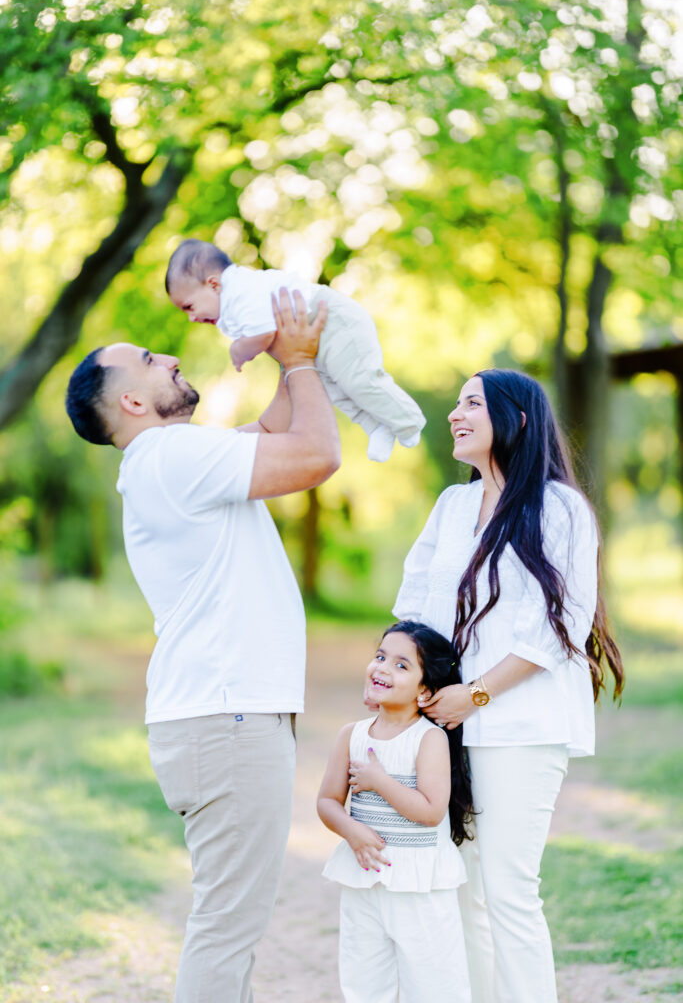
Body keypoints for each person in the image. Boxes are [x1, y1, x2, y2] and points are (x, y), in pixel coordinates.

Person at [65, 290, 340, 1003]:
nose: (173, 356)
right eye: (151, 361)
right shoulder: (170, 455)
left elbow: (271, 430)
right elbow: (313, 453)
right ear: (130, 403)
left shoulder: (168, 461)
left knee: (228, 927)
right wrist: (304, 362)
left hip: (219, 718)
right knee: (226, 929)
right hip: (227, 721)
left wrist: (294, 357)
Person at [389, 369, 624, 1003]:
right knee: (462, 888)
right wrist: (412, 689)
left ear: (515, 419)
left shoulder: (559, 507)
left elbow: (560, 624)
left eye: (472, 403)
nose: (454, 414)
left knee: (508, 888)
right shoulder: (452, 504)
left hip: (521, 725)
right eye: (456, 401)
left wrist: (478, 693)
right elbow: (414, 605)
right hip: (446, 728)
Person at [318, 620, 475, 1003]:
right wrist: (351, 830)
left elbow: (431, 811)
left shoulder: (429, 738)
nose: (383, 668)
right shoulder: (351, 735)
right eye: (380, 656)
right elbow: (326, 802)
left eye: (401, 665)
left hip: (420, 886)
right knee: (364, 982)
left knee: (435, 984)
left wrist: (380, 781)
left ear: (424, 690)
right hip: (364, 882)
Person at [165, 237, 426, 462]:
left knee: (359, 379)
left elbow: (263, 333)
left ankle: (408, 421)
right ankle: (376, 426)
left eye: (189, 307)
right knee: (336, 390)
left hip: (333, 321)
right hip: (314, 341)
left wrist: (240, 349)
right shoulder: (228, 305)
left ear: (213, 284)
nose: (191, 317)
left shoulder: (240, 290)